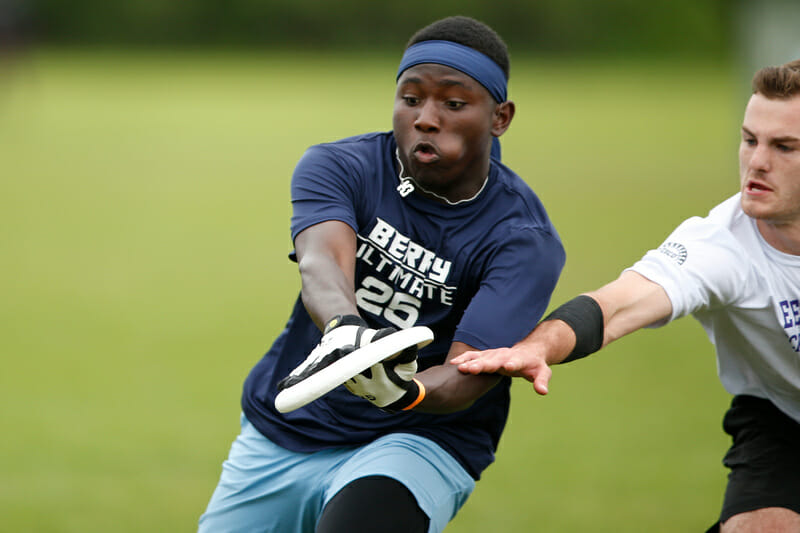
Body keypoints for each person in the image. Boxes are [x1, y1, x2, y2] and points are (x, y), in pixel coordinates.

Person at [198, 15, 566, 533]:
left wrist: (406, 391)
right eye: (410, 99)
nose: (425, 118)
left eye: (453, 104)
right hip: (286, 427)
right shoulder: (340, 166)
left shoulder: (523, 240)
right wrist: (347, 332)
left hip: (418, 439)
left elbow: (472, 372)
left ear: (500, 117)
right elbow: (321, 262)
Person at [452, 59, 800, 533]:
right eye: (749, 139)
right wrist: (536, 347)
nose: (757, 161)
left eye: (785, 147)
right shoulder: (722, 246)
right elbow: (617, 306)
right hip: (783, 418)